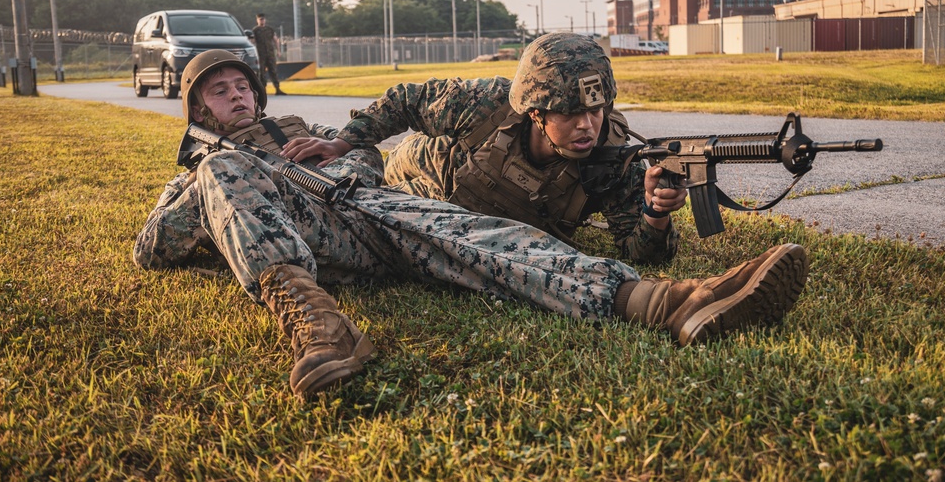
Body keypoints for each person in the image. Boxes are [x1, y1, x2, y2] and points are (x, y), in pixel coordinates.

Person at [133, 49, 809, 398]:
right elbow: (151, 247)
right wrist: (218, 176)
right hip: (306, 245)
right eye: (220, 90)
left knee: (477, 234)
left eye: (243, 83)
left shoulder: (299, 129)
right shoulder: (199, 169)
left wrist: (334, 152)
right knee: (226, 175)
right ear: (198, 109)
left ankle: (672, 301)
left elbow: (367, 159)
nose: (239, 94)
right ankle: (316, 322)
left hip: (367, 212)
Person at [286, 32, 687, 266]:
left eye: (595, 110)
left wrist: (656, 213)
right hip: (428, 166)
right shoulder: (489, 103)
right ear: (535, 112)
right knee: (366, 179)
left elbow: (642, 256)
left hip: (468, 218)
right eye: (569, 114)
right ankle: (313, 136)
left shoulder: (613, 160)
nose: (587, 126)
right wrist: (341, 141)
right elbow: (406, 99)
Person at [250, 13, 286, 95]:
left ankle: (277, 88)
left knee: (273, 71)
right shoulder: (255, 30)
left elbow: (275, 40)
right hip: (260, 54)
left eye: (263, 19)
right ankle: (263, 90)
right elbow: (252, 41)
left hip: (270, 54)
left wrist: (278, 51)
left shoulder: (269, 29)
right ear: (257, 20)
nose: (262, 21)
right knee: (261, 73)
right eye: (260, 19)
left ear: (265, 20)